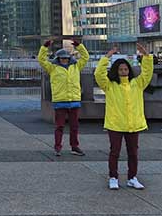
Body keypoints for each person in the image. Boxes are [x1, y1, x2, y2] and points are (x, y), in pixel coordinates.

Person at [94, 43, 153, 190]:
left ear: (129, 70)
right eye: (120, 69)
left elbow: (147, 72)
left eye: (126, 69)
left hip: (133, 124)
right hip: (115, 124)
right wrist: (107, 56)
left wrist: (146, 56)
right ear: (116, 71)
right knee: (115, 152)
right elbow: (98, 74)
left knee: (133, 152)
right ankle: (113, 177)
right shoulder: (110, 85)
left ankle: (132, 177)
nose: (123, 72)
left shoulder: (137, 83)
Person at [38, 39, 89, 156]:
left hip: (74, 100)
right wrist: (44, 47)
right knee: (59, 126)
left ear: (69, 58)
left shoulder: (76, 66)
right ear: (58, 59)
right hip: (60, 101)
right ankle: (57, 147)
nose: (64, 60)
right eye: (62, 58)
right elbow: (41, 60)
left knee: (74, 126)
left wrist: (79, 46)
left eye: (66, 58)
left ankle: (74, 146)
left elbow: (85, 57)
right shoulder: (52, 68)